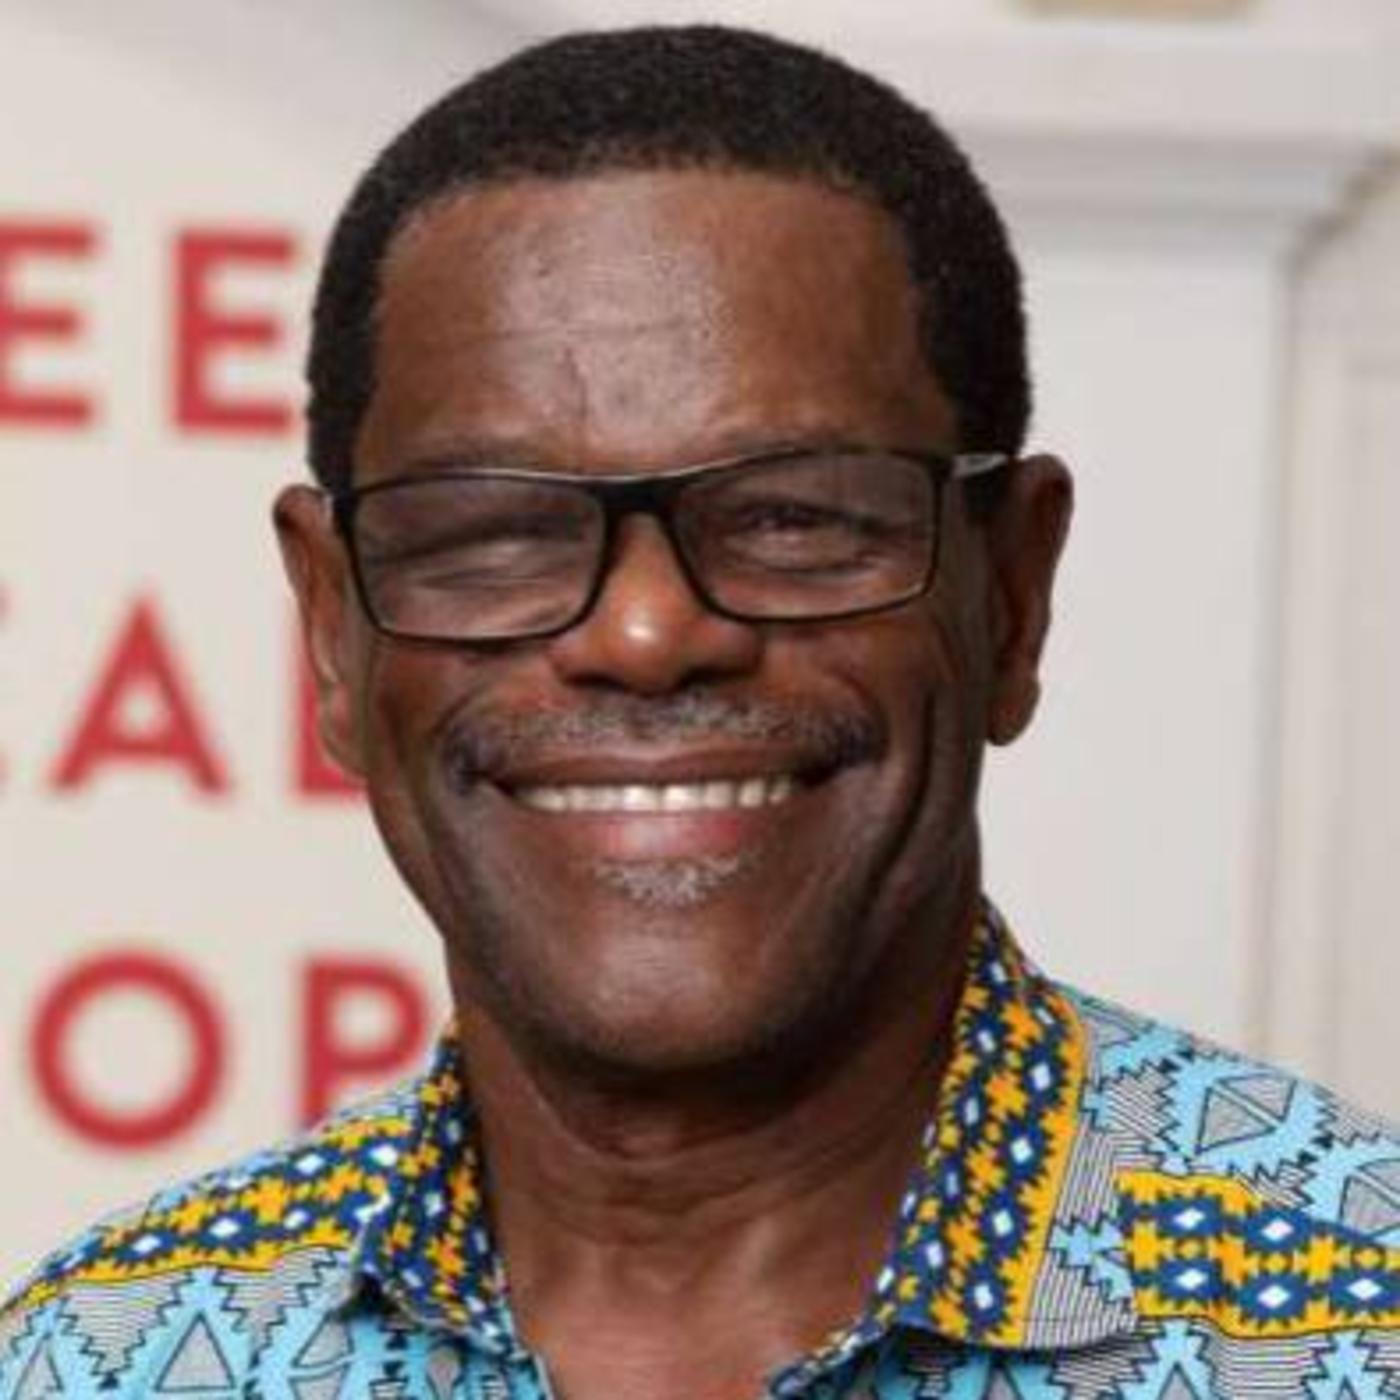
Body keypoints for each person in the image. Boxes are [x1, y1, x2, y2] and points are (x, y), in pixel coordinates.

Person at [2, 24, 1396, 1400]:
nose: (646, 635)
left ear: (1014, 594)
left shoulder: (1351, 1321)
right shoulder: (106, 1358)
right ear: (332, 634)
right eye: (494, 531)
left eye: (796, 517)